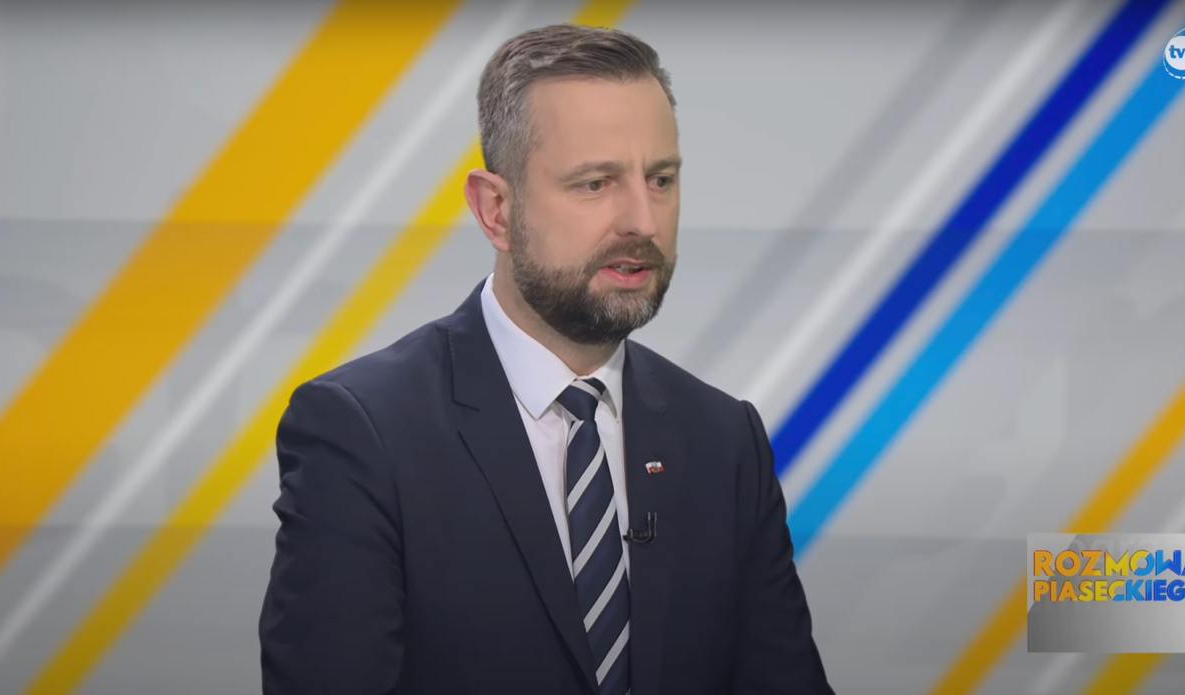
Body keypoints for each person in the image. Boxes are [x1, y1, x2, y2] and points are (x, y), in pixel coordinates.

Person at [259, 23, 834, 695]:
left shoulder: (723, 438)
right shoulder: (362, 432)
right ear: (496, 210)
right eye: (595, 183)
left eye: (661, 179)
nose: (643, 221)